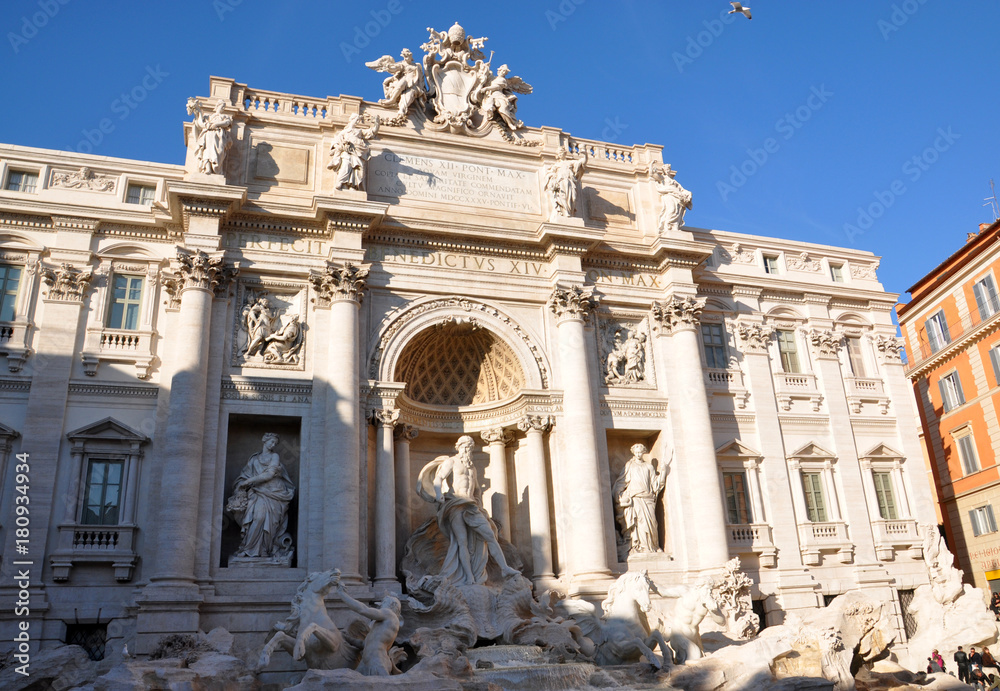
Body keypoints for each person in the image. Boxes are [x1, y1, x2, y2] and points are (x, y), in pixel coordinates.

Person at [416, 435, 520, 585]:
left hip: (471, 505)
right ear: (458, 447)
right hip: (455, 503)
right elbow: (438, 478)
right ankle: (468, 576)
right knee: (462, 541)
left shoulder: (472, 468)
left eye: (470, 447)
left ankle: (504, 568)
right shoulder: (451, 461)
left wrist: (480, 507)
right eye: (464, 446)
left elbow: (476, 490)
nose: (467, 450)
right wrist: (439, 494)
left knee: (489, 535)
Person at [231, 433, 295, 558]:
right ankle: (248, 548)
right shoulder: (254, 459)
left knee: (268, 521)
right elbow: (245, 475)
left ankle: (265, 549)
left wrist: (249, 481)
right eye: (271, 442)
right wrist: (242, 484)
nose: (273, 445)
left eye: (275, 444)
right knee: (257, 517)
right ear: (264, 441)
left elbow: (270, 474)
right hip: (258, 492)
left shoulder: (275, 456)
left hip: (274, 492)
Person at [332, 578, 401, 676]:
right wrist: (348, 639)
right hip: (367, 662)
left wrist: (343, 595)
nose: (380, 606)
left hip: (376, 662)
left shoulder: (389, 614)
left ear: (392, 605)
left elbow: (363, 610)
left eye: (384, 602)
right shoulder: (384, 624)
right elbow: (365, 644)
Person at [612, 443, 669, 554]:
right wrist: (620, 495)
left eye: (640, 452)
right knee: (638, 524)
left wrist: (663, 472)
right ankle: (638, 546)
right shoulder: (629, 466)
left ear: (643, 453)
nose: (638, 454)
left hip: (647, 499)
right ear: (633, 452)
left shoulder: (649, 467)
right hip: (635, 499)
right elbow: (621, 482)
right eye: (636, 452)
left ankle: (651, 547)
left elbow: (655, 484)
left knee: (651, 524)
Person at [328, 113, 380, 190]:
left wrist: (377, 124)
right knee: (346, 164)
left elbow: (372, 132)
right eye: (356, 119)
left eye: (358, 120)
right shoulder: (344, 132)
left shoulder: (359, 131)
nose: (357, 121)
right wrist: (341, 146)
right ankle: (341, 182)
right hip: (346, 152)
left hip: (358, 153)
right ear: (351, 119)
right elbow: (335, 141)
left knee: (358, 169)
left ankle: (353, 186)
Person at [542, 148, 587, 221]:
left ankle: (570, 211)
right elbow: (550, 174)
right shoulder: (556, 165)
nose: (560, 154)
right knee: (562, 197)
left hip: (569, 182)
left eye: (561, 152)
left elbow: (582, 162)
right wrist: (553, 182)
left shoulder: (570, 163)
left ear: (564, 153)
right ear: (557, 155)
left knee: (573, 198)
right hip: (561, 182)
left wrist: (585, 155)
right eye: (559, 153)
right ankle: (565, 213)